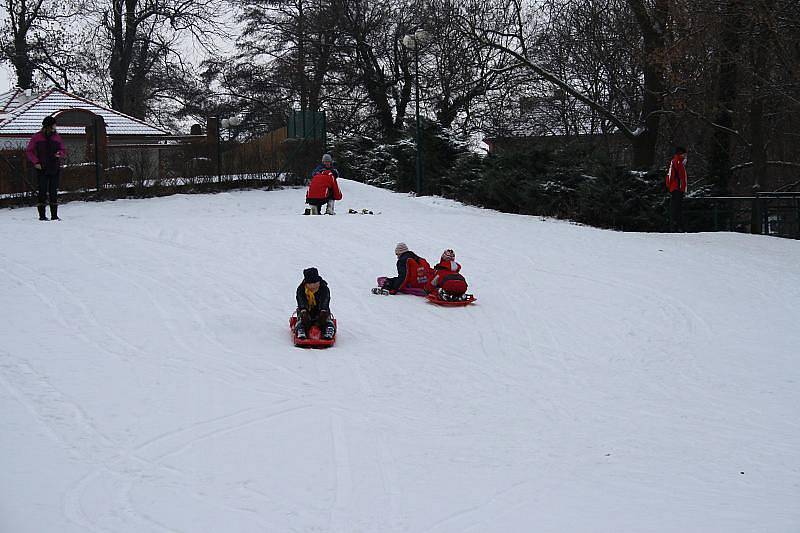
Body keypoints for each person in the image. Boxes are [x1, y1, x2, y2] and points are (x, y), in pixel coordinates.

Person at [26, 116, 66, 221]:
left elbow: (63, 149)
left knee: (53, 191)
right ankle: (42, 215)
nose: (55, 126)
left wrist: (59, 154)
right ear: (49, 126)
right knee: (42, 191)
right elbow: (29, 151)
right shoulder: (37, 137)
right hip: (42, 167)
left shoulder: (57, 137)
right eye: (54, 124)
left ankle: (54, 215)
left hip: (54, 167)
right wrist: (36, 162)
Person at [295, 267, 335, 340]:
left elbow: (325, 299)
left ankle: (329, 330)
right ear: (306, 283)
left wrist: (323, 310)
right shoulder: (301, 289)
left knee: (326, 321)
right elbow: (301, 299)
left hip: (321, 310)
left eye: (315, 283)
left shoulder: (324, 288)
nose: (313, 286)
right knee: (302, 321)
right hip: (306, 311)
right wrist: (303, 310)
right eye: (310, 284)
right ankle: (301, 331)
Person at [666, 146, 688, 232]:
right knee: (677, 208)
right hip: (677, 188)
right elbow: (671, 175)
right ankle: (677, 227)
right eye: (684, 154)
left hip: (677, 188)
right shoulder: (677, 162)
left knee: (677, 208)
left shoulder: (678, 162)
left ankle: (678, 226)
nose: (685, 156)